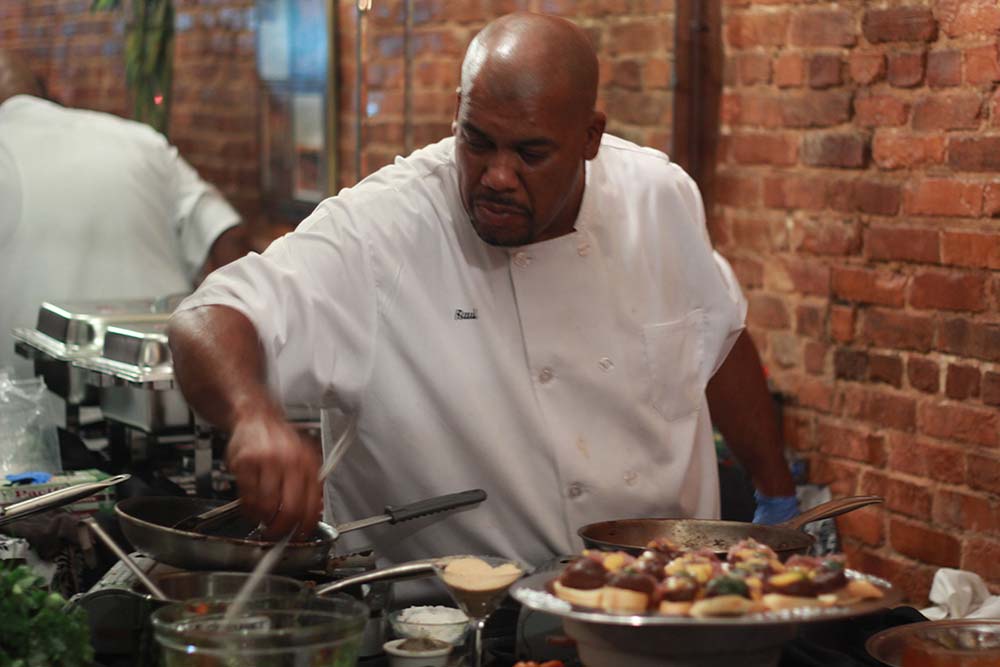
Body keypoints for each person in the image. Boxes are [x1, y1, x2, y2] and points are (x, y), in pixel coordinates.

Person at [167, 13, 797, 571]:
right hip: (454, 623)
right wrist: (251, 417)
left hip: (667, 605)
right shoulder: (384, 228)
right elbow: (207, 317)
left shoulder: (656, 197)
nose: (497, 176)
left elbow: (716, 342)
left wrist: (778, 500)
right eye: (477, 141)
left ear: (590, 138)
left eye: (530, 153)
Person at [0, 49, 252, 377]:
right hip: (163, 381)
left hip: (31, 390)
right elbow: (227, 234)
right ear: (47, 89)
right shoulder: (139, 140)